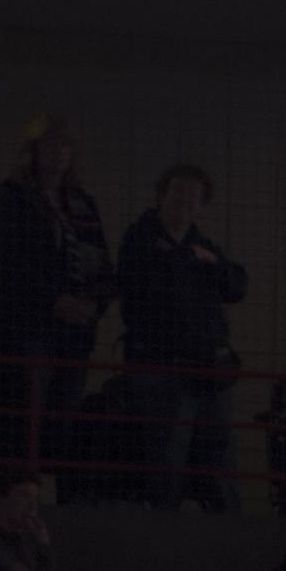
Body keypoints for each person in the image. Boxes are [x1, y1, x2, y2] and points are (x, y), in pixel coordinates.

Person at [114, 167, 245, 512]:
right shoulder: (140, 240)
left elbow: (237, 285)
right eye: (178, 194)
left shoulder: (202, 245)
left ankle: (223, 524)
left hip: (206, 369)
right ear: (161, 196)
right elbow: (143, 291)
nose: (185, 203)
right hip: (162, 367)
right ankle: (166, 528)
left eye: (193, 198)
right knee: (167, 456)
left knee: (218, 454)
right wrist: (191, 261)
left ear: (201, 205)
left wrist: (209, 263)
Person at [0, 119, 112, 413]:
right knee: (28, 415)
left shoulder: (82, 204)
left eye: (65, 146)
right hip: (29, 325)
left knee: (63, 414)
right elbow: (11, 259)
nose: (59, 152)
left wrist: (94, 304)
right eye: (51, 144)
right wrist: (54, 300)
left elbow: (103, 262)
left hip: (75, 331)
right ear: (34, 151)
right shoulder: (13, 198)